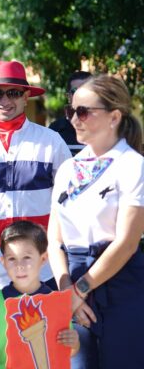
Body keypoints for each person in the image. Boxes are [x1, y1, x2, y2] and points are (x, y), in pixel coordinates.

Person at [0, 60, 71, 322]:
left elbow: (66, 199)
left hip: (43, 266)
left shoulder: (51, 142)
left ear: (26, 96)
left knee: (43, 346)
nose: (4, 100)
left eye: (13, 92)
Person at [47, 74, 144, 369]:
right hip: (72, 281)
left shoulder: (133, 165)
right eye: (70, 111)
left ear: (114, 116)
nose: (74, 119)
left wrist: (80, 291)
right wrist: (67, 293)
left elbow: (126, 242)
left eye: (83, 111)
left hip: (122, 282)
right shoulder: (67, 169)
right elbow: (54, 241)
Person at [0, 221, 79, 369]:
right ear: (3, 262)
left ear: (43, 259)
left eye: (27, 257)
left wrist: (75, 343)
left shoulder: (56, 302)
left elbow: (67, 351)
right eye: (12, 258)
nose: (20, 265)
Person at [48, 71, 92, 155]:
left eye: (87, 90)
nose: (81, 95)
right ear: (68, 96)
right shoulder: (55, 130)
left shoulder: (107, 126)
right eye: (75, 91)